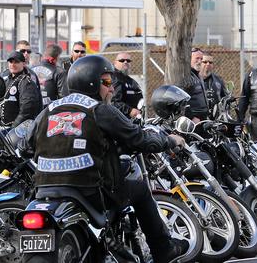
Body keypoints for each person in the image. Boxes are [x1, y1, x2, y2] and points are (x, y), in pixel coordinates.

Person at [20, 55, 189, 263]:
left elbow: (25, 146)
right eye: (107, 82)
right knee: (140, 189)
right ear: (91, 82)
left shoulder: (49, 110)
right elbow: (140, 139)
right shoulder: (99, 109)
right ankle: (164, 250)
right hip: (91, 190)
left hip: (45, 189)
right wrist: (169, 140)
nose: (112, 89)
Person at [0, 51, 42, 127]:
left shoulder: (27, 82)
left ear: (23, 63)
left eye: (16, 62)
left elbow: (27, 110)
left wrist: (14, 127)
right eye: (11, 62)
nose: (13, 65)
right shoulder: (6, 79)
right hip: (3, 128)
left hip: (17, 130)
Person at [111, 52, 143, 119]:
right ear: (115, 63)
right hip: (119, 120)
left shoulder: (129, 79)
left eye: (128, 61)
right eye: (122, 60)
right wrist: (129, 110)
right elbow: (113, 101)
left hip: (132, 119)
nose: (125, 62)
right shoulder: (115, 78)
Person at [182, 48, 210, 123]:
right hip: (194, 120)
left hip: (202, 119)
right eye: (197, 58)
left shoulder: (198, 75)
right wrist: (191, 117)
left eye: (201, 59)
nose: (200, 61)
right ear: (189, 59)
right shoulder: (187, 76)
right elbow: (182, 100)